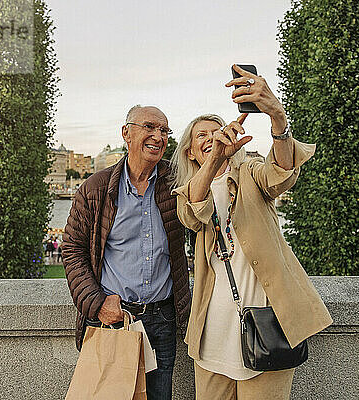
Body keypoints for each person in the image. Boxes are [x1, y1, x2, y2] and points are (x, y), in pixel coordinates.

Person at [170, 65, 333, 400]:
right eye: (202, 135)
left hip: (266, 324)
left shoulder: (249, 174)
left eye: (217, 131)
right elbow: (192, 212)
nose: (212, 138)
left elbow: (282, 173)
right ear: (189, 151)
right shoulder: (189, 190)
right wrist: (215, 157)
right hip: (212, 331)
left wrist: (277, 117)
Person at [62, 105, 191, 400]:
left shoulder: (177, 182)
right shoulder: (96, 188)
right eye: (149, 127)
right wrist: (96, 303)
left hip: (163, 319)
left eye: (164, 130)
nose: (158, 136)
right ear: (126, 133)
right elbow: (73, 249)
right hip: (114, 318)